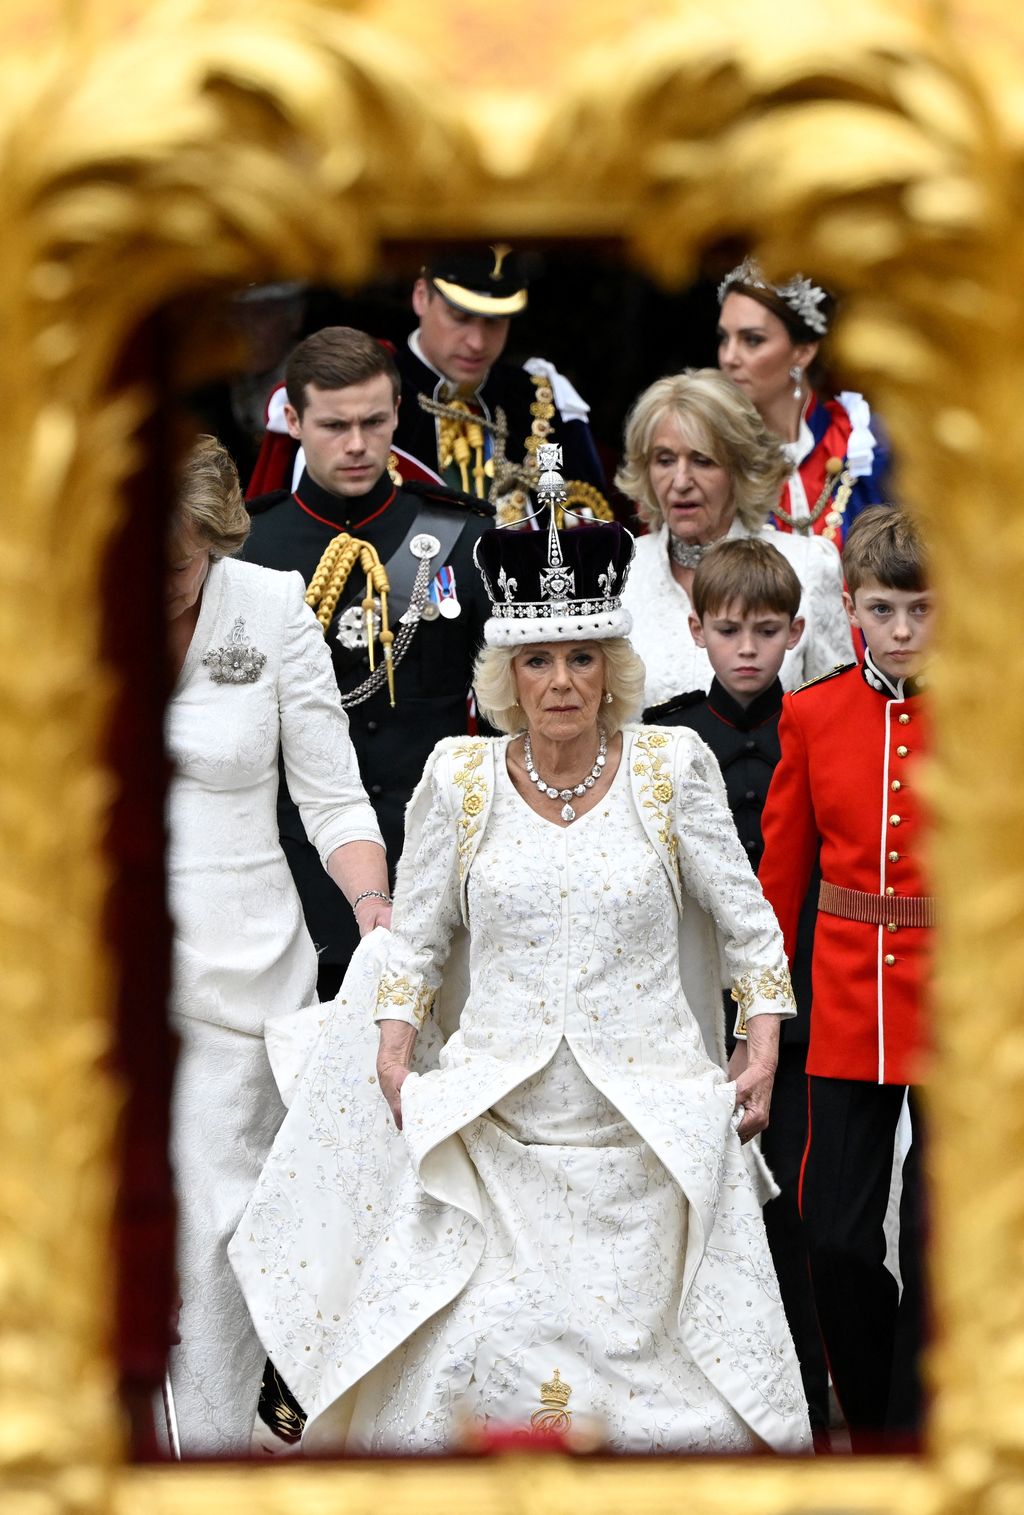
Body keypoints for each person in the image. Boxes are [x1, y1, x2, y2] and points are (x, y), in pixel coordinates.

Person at [231, 455, 812, 1455]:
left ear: (612, 670)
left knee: (666, 1413)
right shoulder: (458, 778)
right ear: (505, 675)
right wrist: (393, 1047)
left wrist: (758, 1048)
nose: (560, 684)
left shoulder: (671, 767)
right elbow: (412, 943)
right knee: (479, 1363)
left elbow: (751, 929)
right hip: (495, 1123)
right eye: (538, 664)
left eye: (582, 659)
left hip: (647, 1124)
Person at [165, 436, 388, 1454]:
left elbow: (331, 794)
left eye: (181, 560)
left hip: (239, 978)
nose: (161, 580)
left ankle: (211, 1460)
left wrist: (373, 910)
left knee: (215, 1235)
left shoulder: (267, 601)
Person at [242, 326, 495, 1000]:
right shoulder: (248, 546)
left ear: (396, 414)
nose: (356, 444)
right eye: (334, 425)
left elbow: (502, 712)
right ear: (293, 420)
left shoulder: (462, 534)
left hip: (437, 857)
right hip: (297, 870)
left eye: (373, 421)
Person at [643, 538, 829, 1445]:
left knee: (785, 1202)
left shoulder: (817, 724)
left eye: (765, 629)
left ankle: (793, 1400)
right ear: (696, 631)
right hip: (685, 995)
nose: (747, 648)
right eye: (728, 629)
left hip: (794, 1002)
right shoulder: (665, 735)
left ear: (797, 631)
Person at [757, 506, 934, 1451]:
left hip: (963, 1010)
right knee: (831, 1234)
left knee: (943, 1243)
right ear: (849, 606)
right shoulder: (813, 711)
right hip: (843, 1004)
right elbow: (780, 878)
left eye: (921, 609)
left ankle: (917, 1434)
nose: (902, 631)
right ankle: (868, 1420)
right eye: (882, 609)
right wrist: (761, 1017)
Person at [617, 368, 855, 708]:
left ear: (740, 469)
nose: (680, 480)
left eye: (702, 461)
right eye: (665, 460)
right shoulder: (619, 574)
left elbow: (837, 715)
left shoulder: (807, 565)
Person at [394, 245, 610, 519]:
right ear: (421, 297)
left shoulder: (540, 400)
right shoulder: (370, 397)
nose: (477, 343)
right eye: (460, 318)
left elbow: (588, 525)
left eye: (495, 322)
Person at [717, 258, 891, 544]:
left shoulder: (862, 443)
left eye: (752, 340)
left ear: (803, 352)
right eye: (725, 338)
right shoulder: (710, 453)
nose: (729, 357)